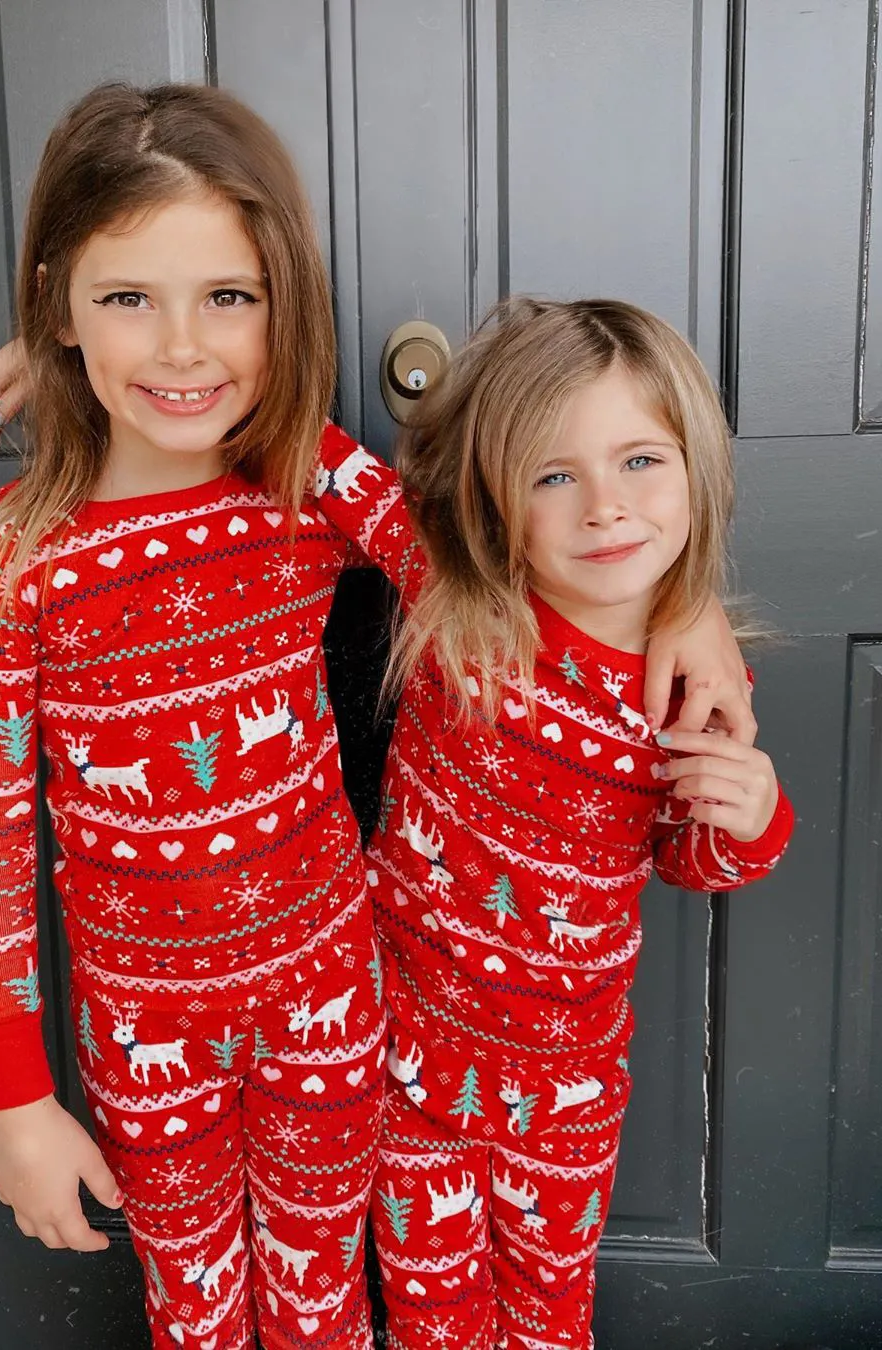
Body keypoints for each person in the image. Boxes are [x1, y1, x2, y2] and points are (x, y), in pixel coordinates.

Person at [0, 82, 388, 1350]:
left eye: (229, 297)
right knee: (191, 1311)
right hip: (144, 1038)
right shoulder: (3, 557)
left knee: (323, 1302)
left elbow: (468, 566)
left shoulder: (304, 498)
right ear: (55, 302)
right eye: (128, 297)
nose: (182, 346)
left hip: (326, 994)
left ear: (287, 304)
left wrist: (679, 612)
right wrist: (14, 1104)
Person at [310, 296, 795, 1350]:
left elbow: (689, 859)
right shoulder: (454, 599)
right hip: (408, 1069)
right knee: (430, 1317)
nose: (605, 509)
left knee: (549, 1312)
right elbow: (307, 451)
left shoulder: (692, 689)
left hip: (564, 1093)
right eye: (553, 476)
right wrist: (77, 358)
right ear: (493, 499)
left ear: (698, 471)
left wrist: (751, 818)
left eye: (641, 461)